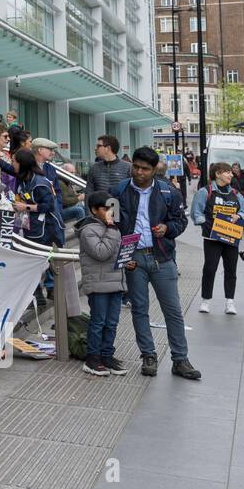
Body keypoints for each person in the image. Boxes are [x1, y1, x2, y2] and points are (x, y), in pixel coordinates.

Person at [111, 147, 200, 380]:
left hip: (162, 257)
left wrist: (167, 229)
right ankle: (148, 355)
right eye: (136, 167)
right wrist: (122, 253)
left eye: (145, 169)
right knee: (140, 309)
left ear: (154, 170)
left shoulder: (168, 191)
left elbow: (180, 222)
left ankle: (180, 359)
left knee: (173, 310)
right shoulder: (119, 190)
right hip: (133, 258)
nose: (139, 172)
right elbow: (111, 224)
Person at [76, 191, 128, 377]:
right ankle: (93, 359)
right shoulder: (88, 230)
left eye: (111, 208)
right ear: (93, 210)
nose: (109, 212)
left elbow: (114, 253)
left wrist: (126, 259)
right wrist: (112, 230)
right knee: (98, 322)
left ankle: (107, 356)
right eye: (105, 208)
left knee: (112, 322)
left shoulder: (112, 228)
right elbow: (101, 253)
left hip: (115, 281)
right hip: (98, 284)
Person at [192, 162, 244, 315]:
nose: (231, 175)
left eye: (231, 172)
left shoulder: (236, 194)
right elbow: (196, 212)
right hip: (212, 238)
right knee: (210, 269)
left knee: (231, 270)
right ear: (217, 174)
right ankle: (206, 300)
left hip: (231, 237)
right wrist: (208, 224)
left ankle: (230, 302)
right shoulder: (205, 192)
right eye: (227, 172)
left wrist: (239, 216)